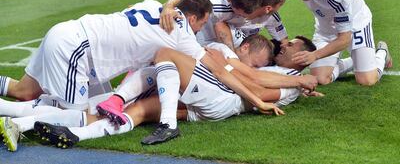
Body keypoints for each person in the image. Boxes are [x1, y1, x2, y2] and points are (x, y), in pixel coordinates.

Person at [30, 35, 319, 148]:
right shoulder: (281, 74)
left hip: (220, 98)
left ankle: (147, 114)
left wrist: (301, 81)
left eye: (293, 45)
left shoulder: (290, 79)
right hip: (212, 100)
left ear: (301, 56)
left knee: (165, 52)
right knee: (141, 111)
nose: (286, 45)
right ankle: (63, 131)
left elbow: (258, 85)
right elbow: (252, 77)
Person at [0, 0, 213, 109]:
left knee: (23, 91)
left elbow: (179, 0)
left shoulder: (152, 3)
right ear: (192, 17)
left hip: (68, 31)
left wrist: (169, 4)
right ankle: (9, 114)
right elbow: (215, 69)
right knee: (76, 115)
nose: (201, 30)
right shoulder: (183, 34)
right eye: (202, 24)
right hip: (77, 48)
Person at [263, 0, 392, 86]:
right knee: (321, 78)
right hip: (326, 28)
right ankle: (356, 61)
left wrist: (315, 55)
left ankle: (381, 54)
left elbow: (344, 39)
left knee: (367, 81)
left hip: (355, 25)